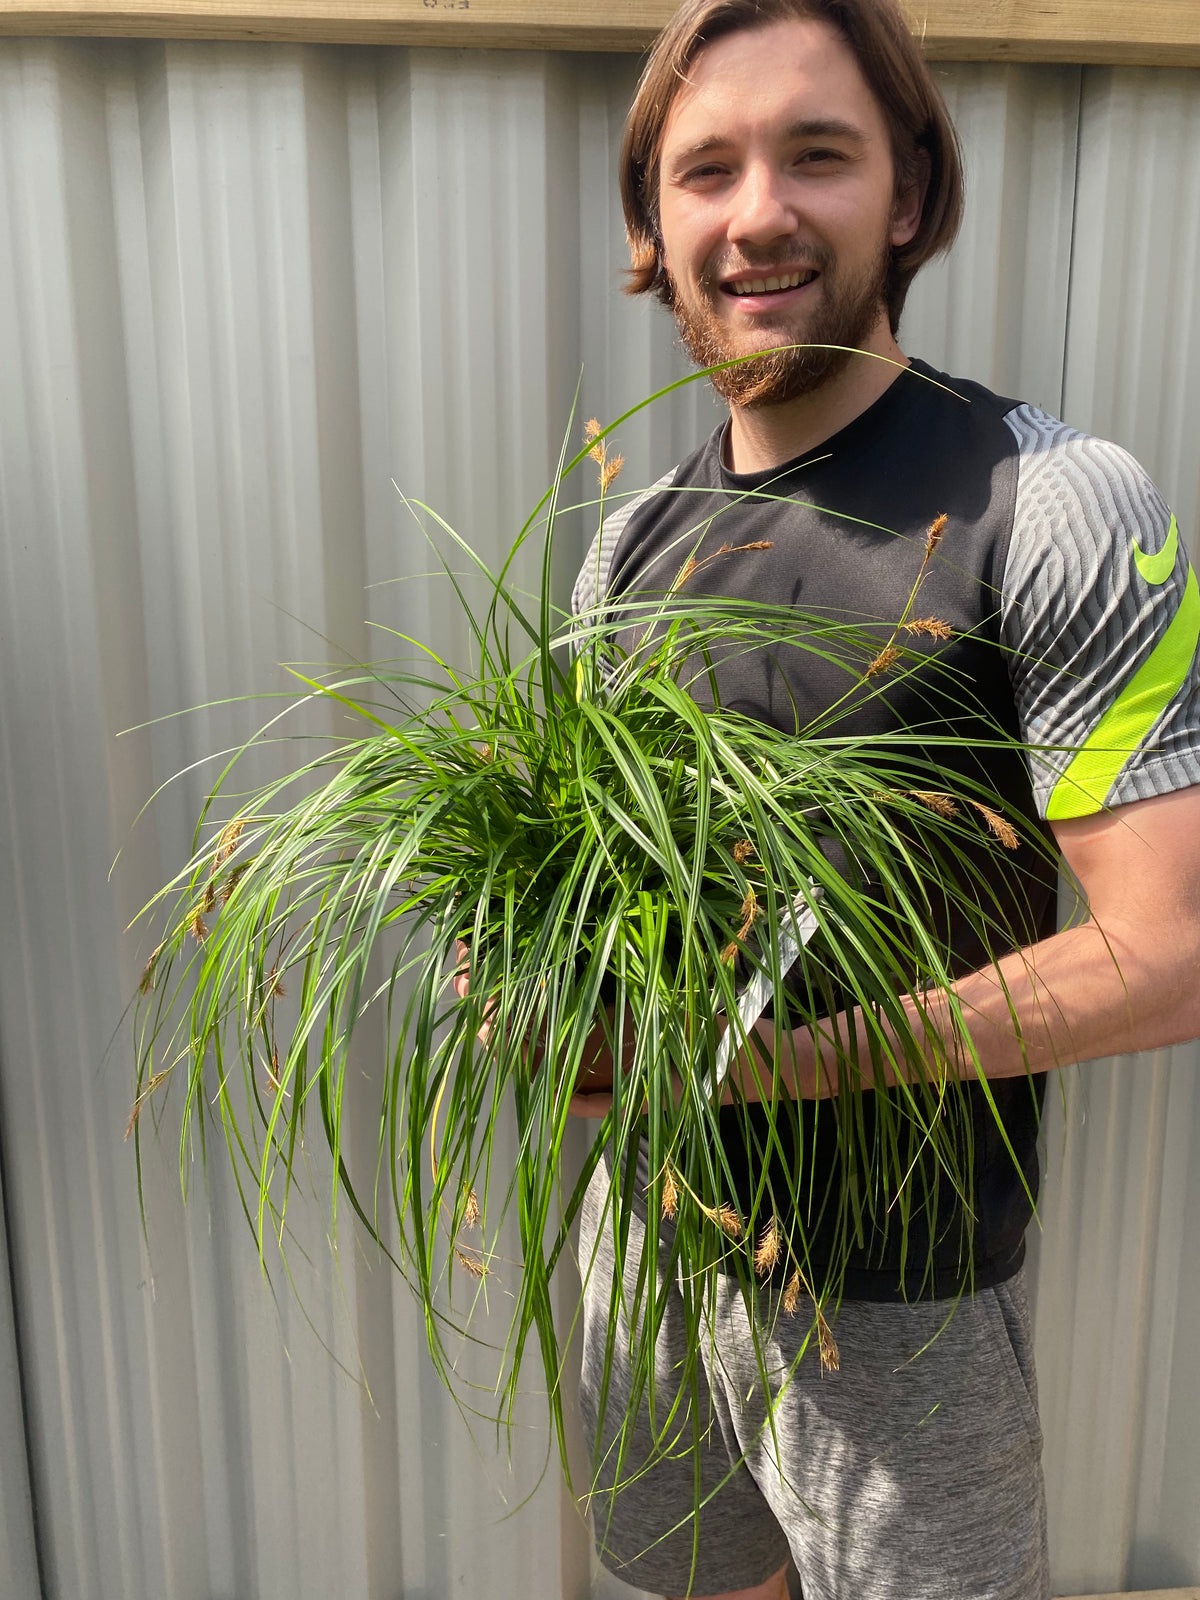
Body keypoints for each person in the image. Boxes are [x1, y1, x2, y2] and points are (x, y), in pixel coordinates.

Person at [563, 2, 1200, 1597]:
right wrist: (530, 994)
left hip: (899, 1307)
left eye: (817, 154)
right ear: (657, 218)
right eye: (705, 168)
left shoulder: (1052, 502)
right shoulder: (622, 551)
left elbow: (1173, 950)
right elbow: (607, 908)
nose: (757, 209)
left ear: (906, 194)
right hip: (640, 1240)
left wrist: (791, 1067)